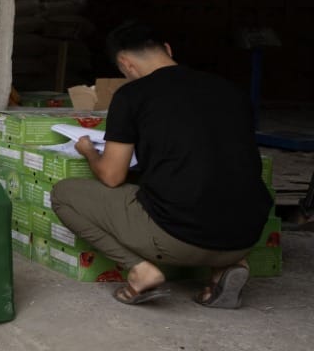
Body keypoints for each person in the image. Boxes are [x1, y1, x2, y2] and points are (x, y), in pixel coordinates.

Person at [51, 21, 273, 308]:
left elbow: (112, 176)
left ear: (125, 64)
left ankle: (140, 271)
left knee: (64, 194)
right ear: (168, 49)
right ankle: (225, 268)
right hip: (246, 234)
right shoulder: (230, 89)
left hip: (177, 238)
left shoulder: (132, 95)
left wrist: (89, 152)